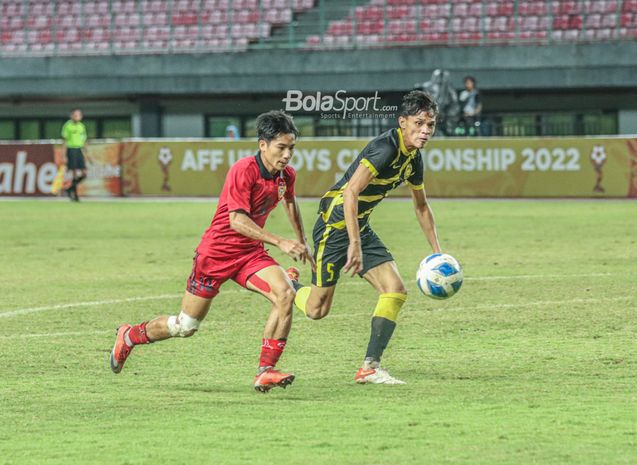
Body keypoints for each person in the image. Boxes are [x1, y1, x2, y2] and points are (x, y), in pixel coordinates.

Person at [109, 111, 314, 393]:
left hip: (250, 254)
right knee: (185, 326)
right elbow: (237, 220)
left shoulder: (285, 175)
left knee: (285, 295)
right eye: (281, 147)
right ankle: (129, 336)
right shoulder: (244, 170)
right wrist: (281, 242)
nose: (288, 155)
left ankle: (265, 370)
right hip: (215, 256)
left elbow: (291, 203)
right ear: (262, 144)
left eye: (291, 148)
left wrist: (302, 242)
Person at [289, 90, 442, 385]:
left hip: (358, 224)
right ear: (402, 122)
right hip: (334, 226)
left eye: (431, 125)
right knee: (316, 310)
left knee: (395, 290)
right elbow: (350, 192)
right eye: (419, 123)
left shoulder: (413, 160)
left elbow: (421, 206)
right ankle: (290, 284)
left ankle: (369, 366)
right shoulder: (385, 148)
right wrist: (354, 244)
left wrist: (437, 253)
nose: (425, 131)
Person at [61, 108, 90, 201]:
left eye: (79, 115)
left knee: (84, 173)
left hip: (79, 150)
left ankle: (69, 189)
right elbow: (65, 141)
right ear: (72, 116)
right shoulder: (68, 126)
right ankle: (75, 195)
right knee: (74, 173)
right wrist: (64, 155)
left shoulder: (81, 126)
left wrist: (87, 153)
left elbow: (84, 140)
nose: (78, 117)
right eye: (76, 115)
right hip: (71, 149)